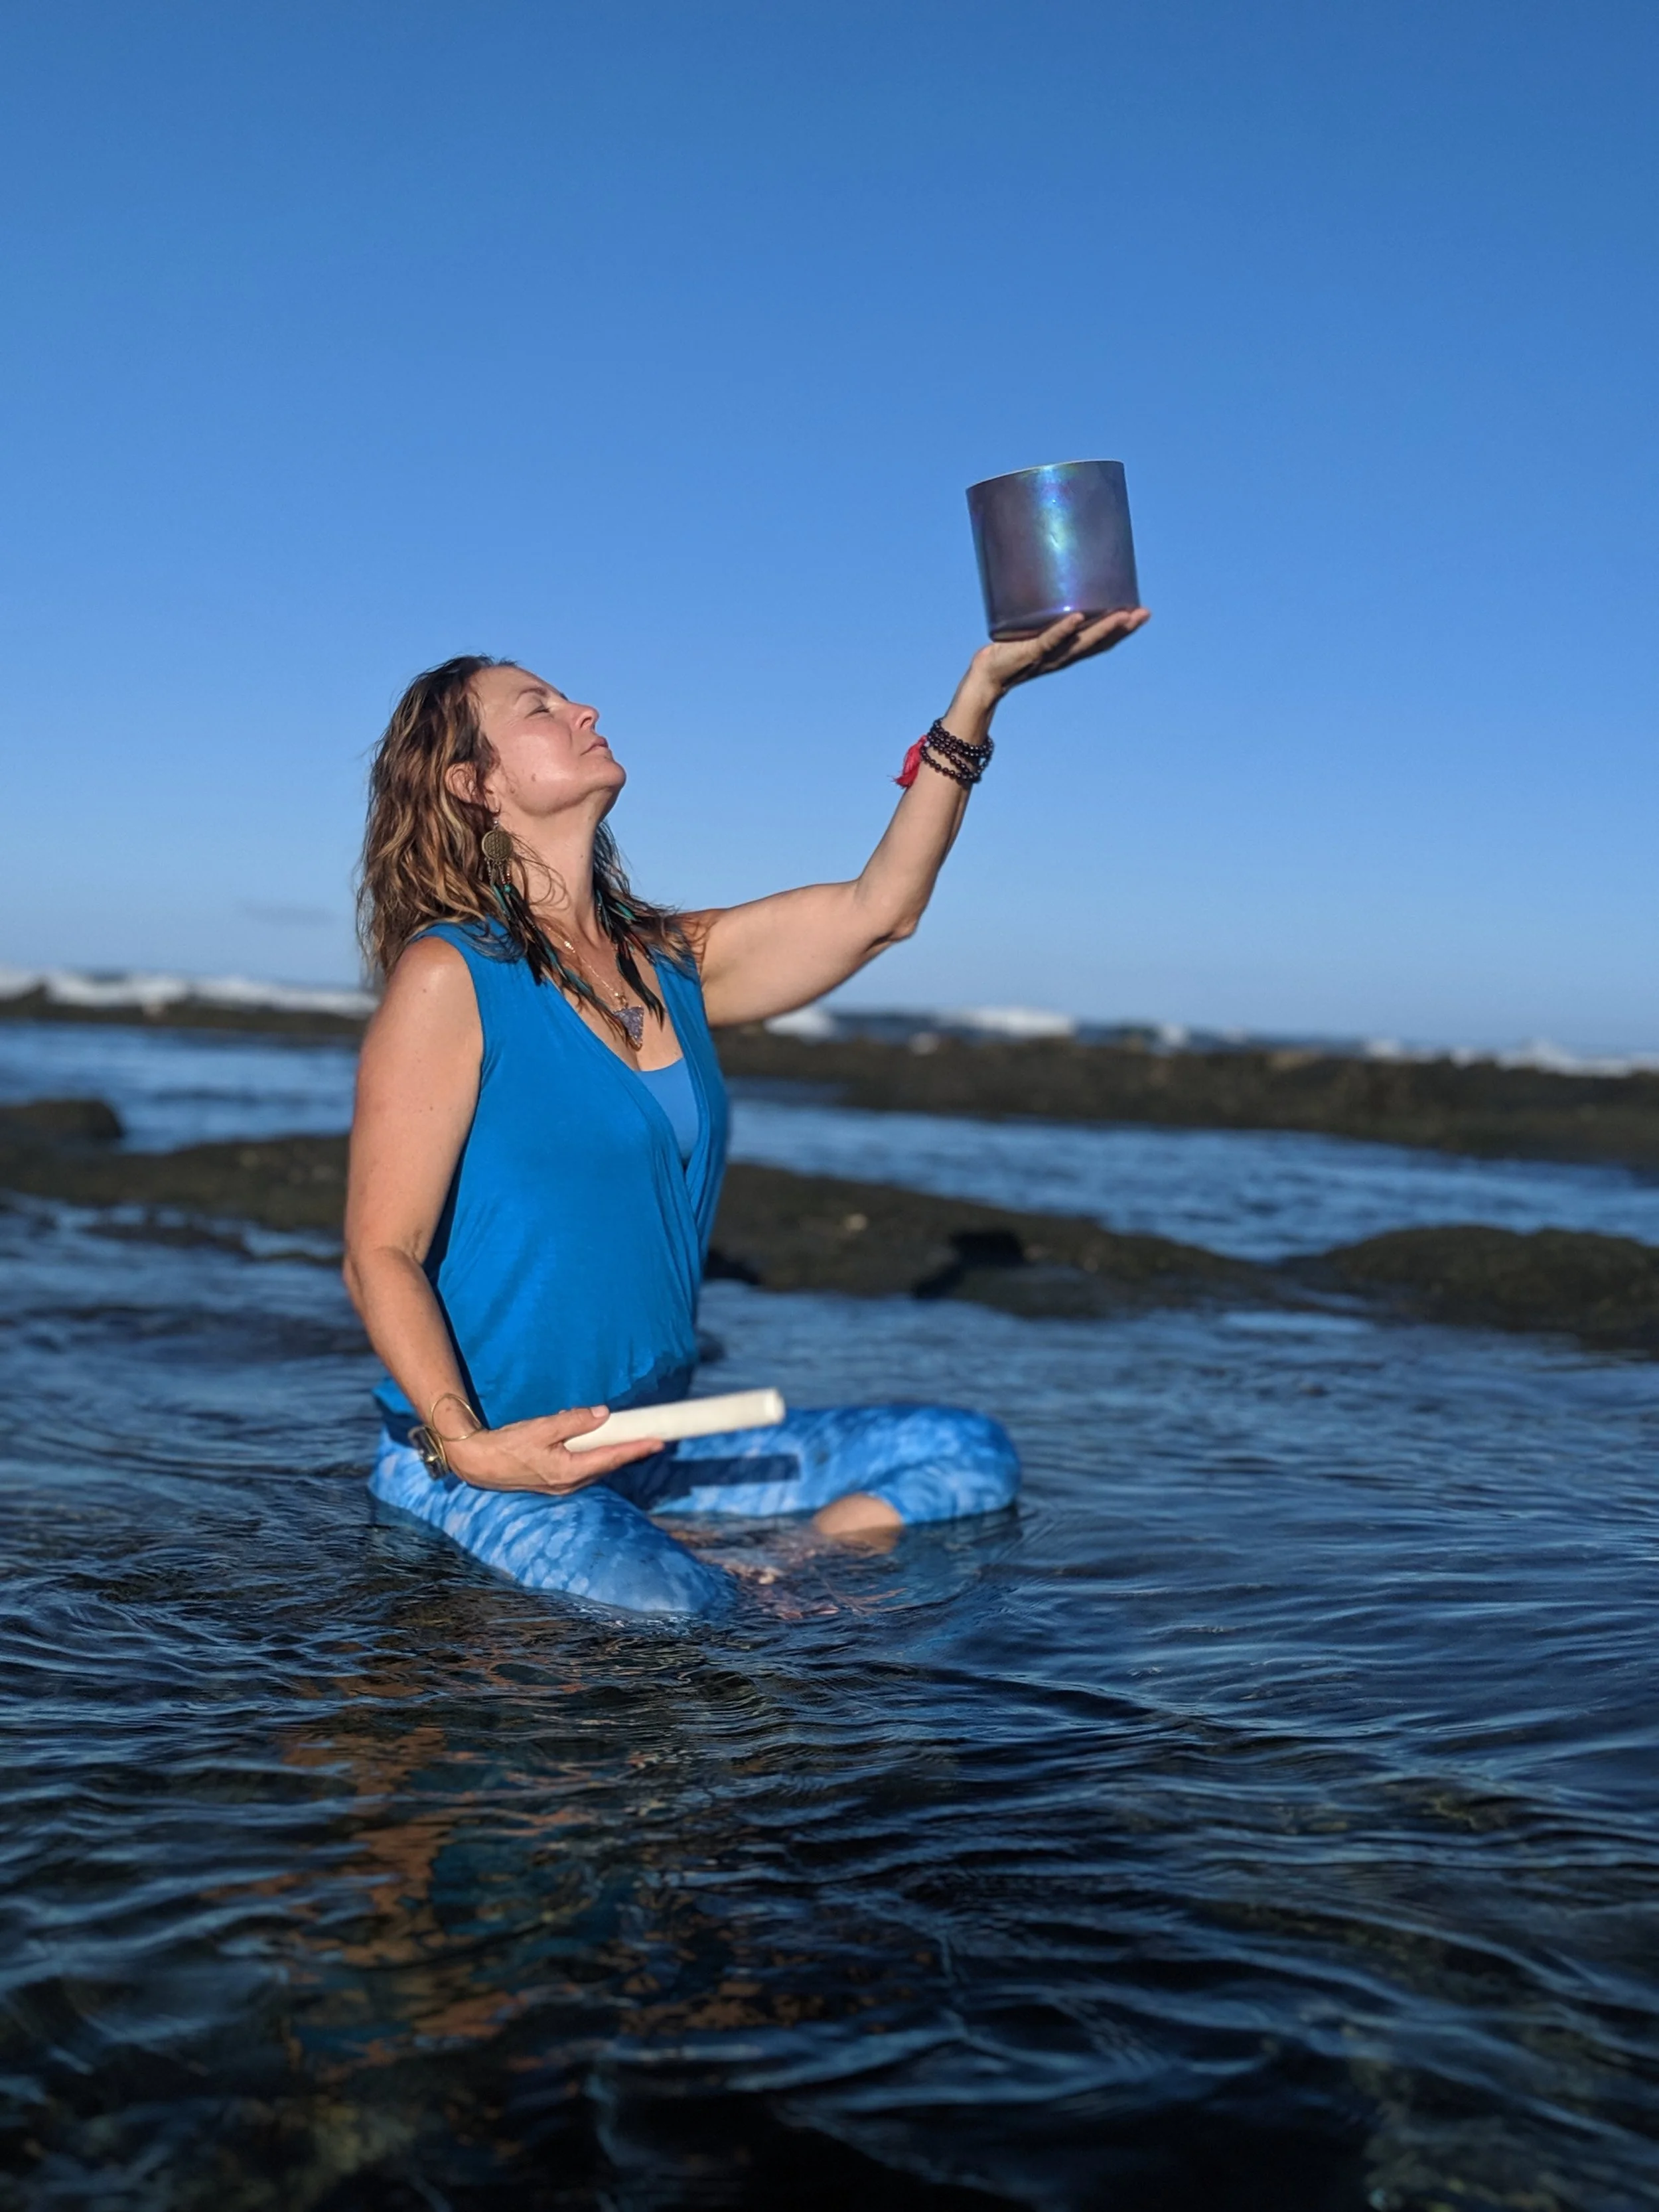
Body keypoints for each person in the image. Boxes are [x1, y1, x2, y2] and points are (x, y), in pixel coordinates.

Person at [345, 605, 1149, 1615]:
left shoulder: (673, 962)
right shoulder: (451, 975)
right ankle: (703, 1581)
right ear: (478, 785)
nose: (585, 709)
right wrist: (467, 1443)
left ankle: (775, 1568)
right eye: (540, 708)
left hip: (651, 1444)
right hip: (493, 1464)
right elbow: (383, 1250)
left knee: (964, 1455)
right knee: (679, 1612)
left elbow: (879, 911)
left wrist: (978, 695)